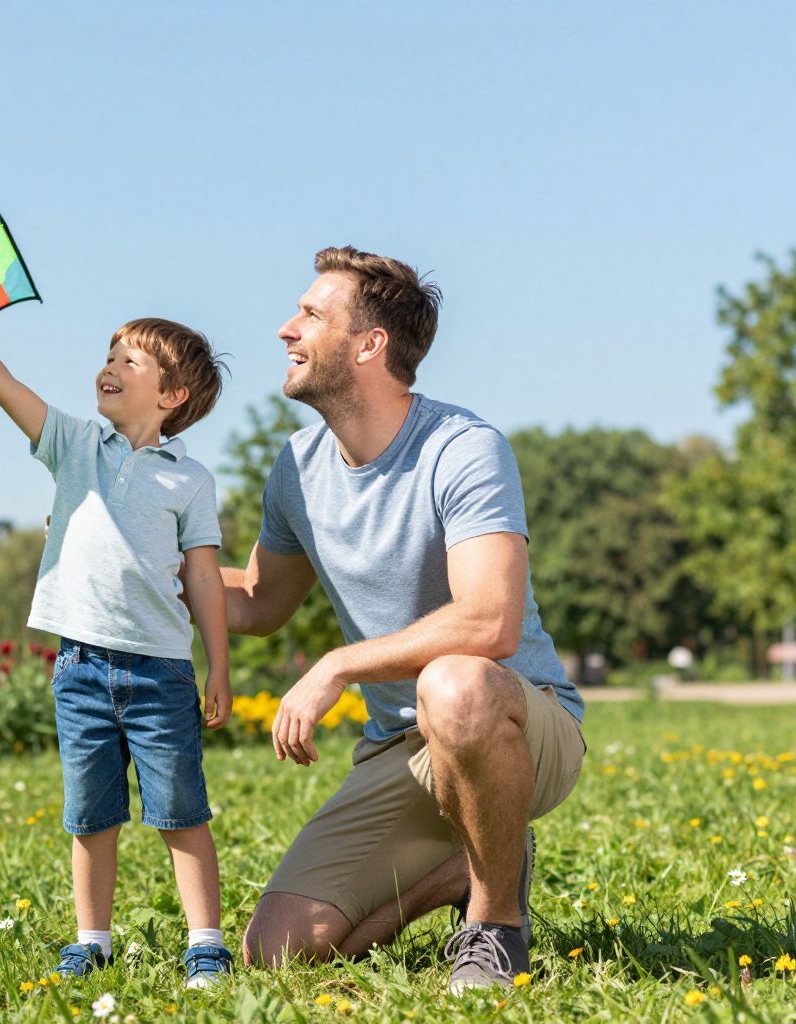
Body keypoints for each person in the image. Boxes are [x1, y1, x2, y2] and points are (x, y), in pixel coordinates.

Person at [222, 247, 586, 992]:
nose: (286, 330)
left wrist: (338, 664)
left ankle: (495, 928)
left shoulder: (463, 449)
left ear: (369, 344)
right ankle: (473, 864)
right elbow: (259, 602)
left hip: (514, 716)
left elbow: (490, 623)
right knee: (276, 952)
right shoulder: (296, 468)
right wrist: (142, 562)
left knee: (454, 685)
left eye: (311, 315)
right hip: (401, 745)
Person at [0, 269, 236, 988]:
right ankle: (92, 940)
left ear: (171, 396)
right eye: (108, 355)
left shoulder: (191, 481)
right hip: (79, 669)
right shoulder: (74, 446)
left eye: (128, 361)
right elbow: (2, 384)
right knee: (90, 814)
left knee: (180, 811)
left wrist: (220, 668)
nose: (108, 367)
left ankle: (205, 941)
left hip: (160, 671)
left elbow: (203, 578)